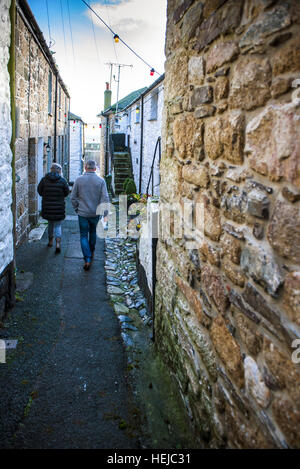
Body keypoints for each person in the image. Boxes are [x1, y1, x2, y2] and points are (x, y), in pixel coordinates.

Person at [71, 160, 109, 271]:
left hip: (82, 213)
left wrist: (76, 208)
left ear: (85, 168)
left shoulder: (78, 180)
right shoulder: (101, 181)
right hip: (95, 213)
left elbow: (73, 197)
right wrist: (105, 213)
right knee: (93, 232)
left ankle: (87, 259)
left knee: (83, 235)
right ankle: (91, 252)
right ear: (95, 168)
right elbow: (105, 198)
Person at [37, 162, 69, 253]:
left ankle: (50, 241)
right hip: (59, 207)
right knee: (58, 225)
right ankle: (58, 243)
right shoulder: (62, 181)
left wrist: (46, 196)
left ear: (51, 170)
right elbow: (66, 193)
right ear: (59, 171)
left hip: (47, 206)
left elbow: (39, 191)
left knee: (50, 223)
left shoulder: (44, 180)